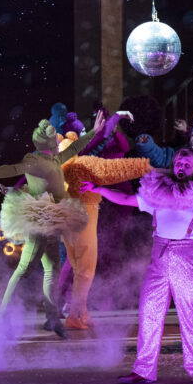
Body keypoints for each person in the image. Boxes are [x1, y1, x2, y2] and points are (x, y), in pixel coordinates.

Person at [80, 148, 193, 384]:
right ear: (173, 166)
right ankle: (144, 370)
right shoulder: (157, 194)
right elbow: (125, 199)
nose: (181, 167)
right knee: (149, 314)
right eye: (179, 163)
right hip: (159, 257)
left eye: (187, 164)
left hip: (188, 258)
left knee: (190, 315)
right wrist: (99, 189)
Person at [0, 112, 105, 338]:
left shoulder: (53, 159)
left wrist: (93, 132)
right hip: (40, 223)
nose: (59, 142)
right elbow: (13, 169)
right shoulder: (34, 160)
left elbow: (73, 148)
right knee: (24, 269)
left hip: (52, 221)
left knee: (52, 270)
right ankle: (2, 316)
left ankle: (52, 318)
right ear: (48, 143)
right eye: (54, 139)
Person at [55, 129, 151, 329]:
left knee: (77, 267)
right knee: (85, 270)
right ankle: (74, 314)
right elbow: (116, 168)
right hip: (83, 219)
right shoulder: (82, 164)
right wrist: (146, 166)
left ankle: (81, 313)